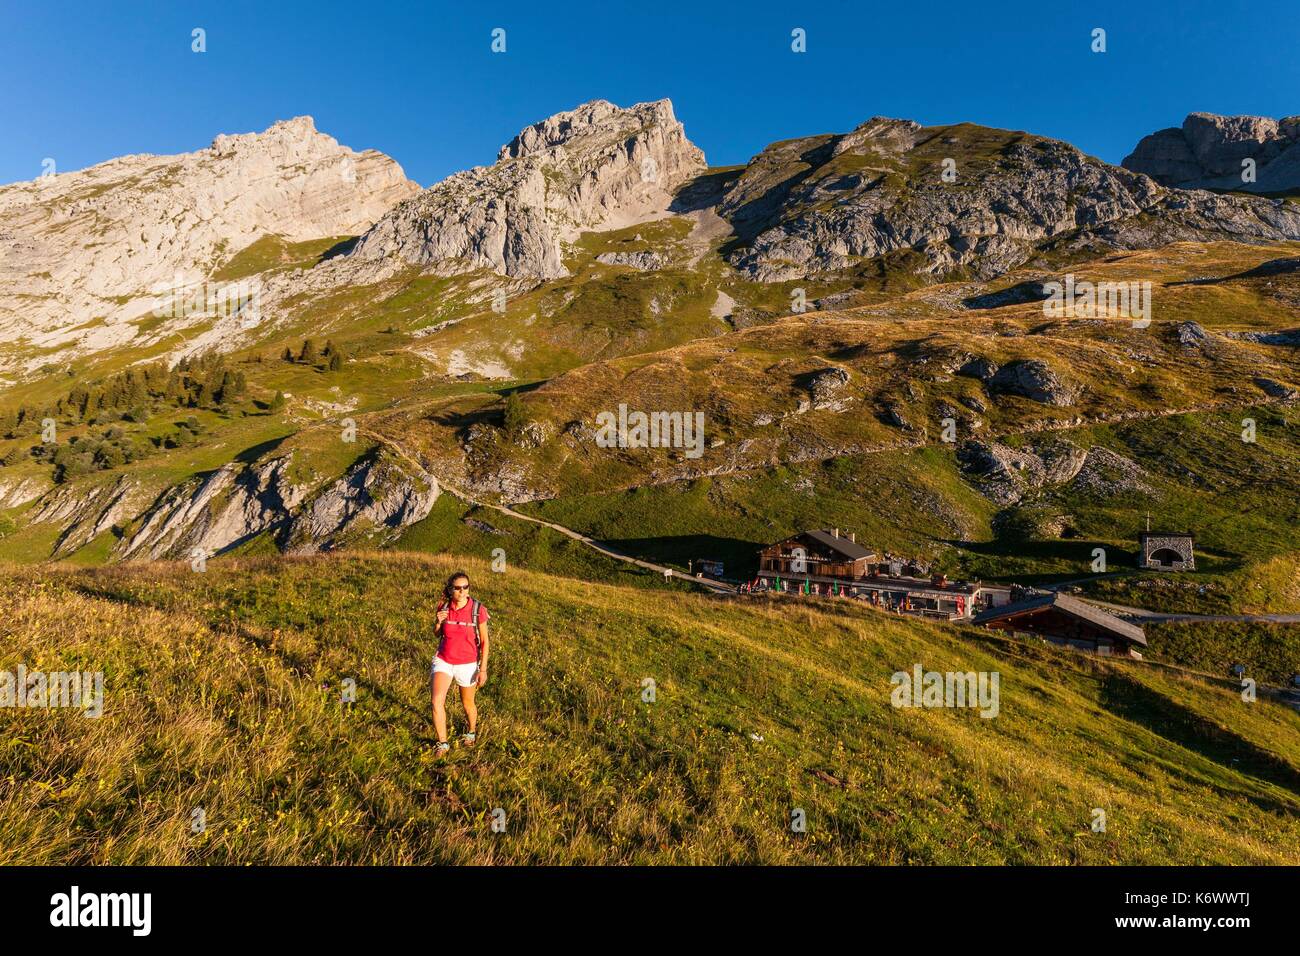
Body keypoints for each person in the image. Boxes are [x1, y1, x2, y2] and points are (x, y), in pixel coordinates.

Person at [431, 570, 490, 757]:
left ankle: (471, 731)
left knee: (468, 704)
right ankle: (443, 744)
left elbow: (485, 641)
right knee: (436, 701)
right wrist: (438, 623)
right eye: (458, 588)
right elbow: (437, 634)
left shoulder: (477, 609)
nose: (462, 591)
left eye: (466, 587)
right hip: (444, 660)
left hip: (468, 663)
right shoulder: (444, 606)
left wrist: (483, 669)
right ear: (450, 590)